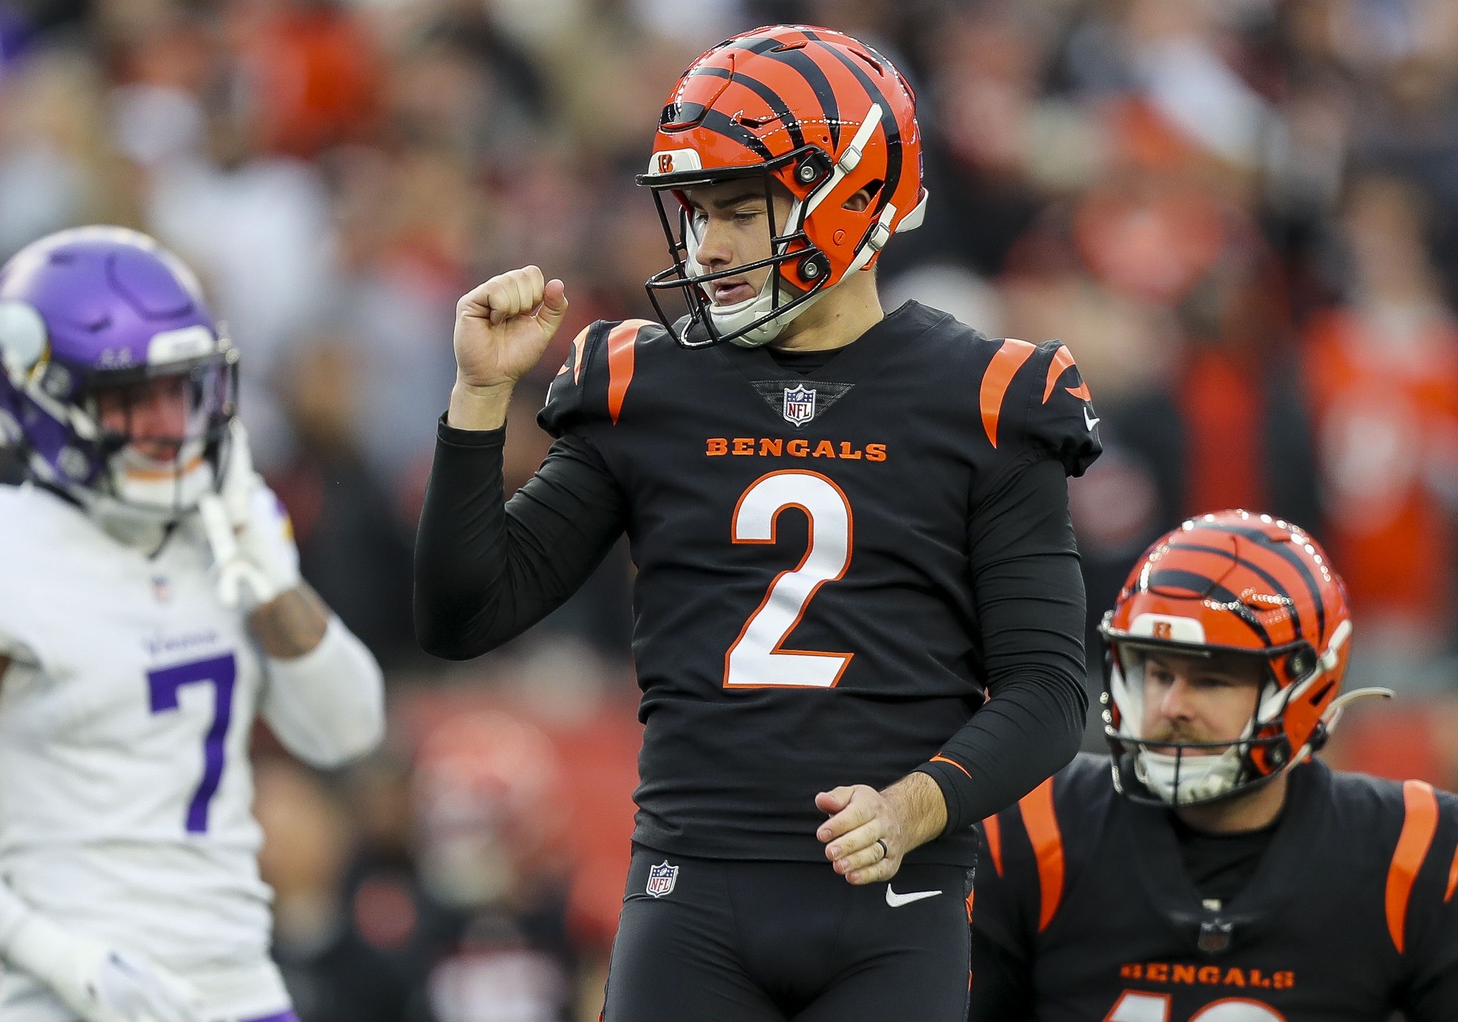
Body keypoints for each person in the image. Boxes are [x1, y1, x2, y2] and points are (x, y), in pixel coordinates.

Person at [414, 24, 1101, 1021]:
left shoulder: (988, 397)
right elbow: (464, 614)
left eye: (743, 208)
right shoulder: (650, 383)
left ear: (851, 192)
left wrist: (915, 802)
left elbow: (1047, 689)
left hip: (894, 901)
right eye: (695, 212)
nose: (711, 246)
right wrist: (480, 397)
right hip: (689, 893)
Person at [0, 226, 386, 1022]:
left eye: (183, 388)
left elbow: (347, 733)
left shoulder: (230, 525)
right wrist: (59, 958)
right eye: (132, 398)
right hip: (75, 1000)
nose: (171, 425)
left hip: (245, 989)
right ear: (40, 400)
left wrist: (273, 587)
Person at [968, 509, 1458, 1021]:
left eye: (1211, 680)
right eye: (1157, 673)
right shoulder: (1034, 826)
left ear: (1306, 689)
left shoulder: (1414, 853)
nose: (1170, 707)